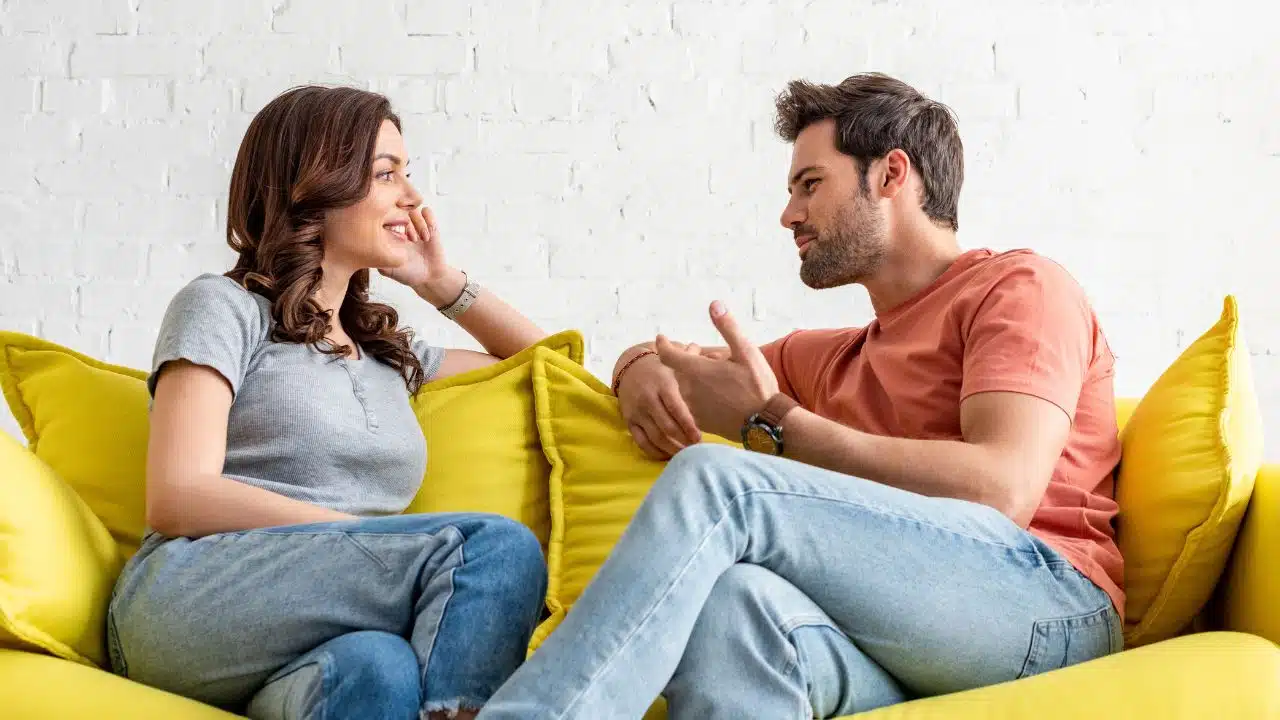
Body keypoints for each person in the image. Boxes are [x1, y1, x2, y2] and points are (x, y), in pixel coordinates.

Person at [477, 72, 1125, 719]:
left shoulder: (1020, 289)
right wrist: (635, 366)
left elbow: (1000, 489)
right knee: (734, 607)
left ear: (892, 175)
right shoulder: (831, 357)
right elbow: (676, 370)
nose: (789, 215)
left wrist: (778, 423)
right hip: (927, 637)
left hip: (1048, 611)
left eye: (810, 185)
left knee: (718, 481)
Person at [106, 85, 550, 720]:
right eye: (385, 174)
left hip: (315, 644)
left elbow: (546, 367)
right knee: (494, 549)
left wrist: (438, 283)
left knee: (379, 670)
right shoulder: (223, 307)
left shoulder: (387, 354)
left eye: (408, 173)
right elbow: (178, 495)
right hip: (193, 599)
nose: (412, 196)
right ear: (316, 184)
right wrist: (375, 545)